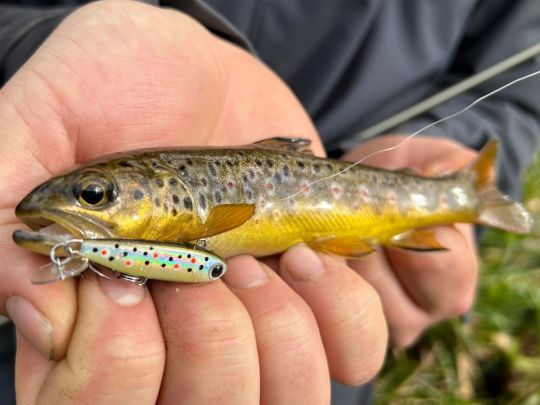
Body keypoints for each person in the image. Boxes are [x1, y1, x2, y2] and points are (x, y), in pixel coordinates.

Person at [0, 1, 538, 403]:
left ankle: (469, 197)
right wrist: (29, 41)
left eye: (96, 196)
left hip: (311, 337)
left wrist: (467, 143)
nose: (85, 204)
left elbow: (521, 88)